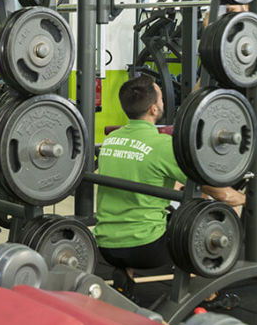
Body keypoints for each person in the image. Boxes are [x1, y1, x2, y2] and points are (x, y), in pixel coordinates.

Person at [94, 75, 245, 298]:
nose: (164, 103)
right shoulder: (163, 145)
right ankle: (206, 290)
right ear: (154, 109)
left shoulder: (111, 139)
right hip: (148, 249)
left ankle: (124, 275)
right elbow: (221, 193)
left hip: (106, 247)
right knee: (207, 215)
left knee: (175, 195)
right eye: (162, 99)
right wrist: (243, 198)